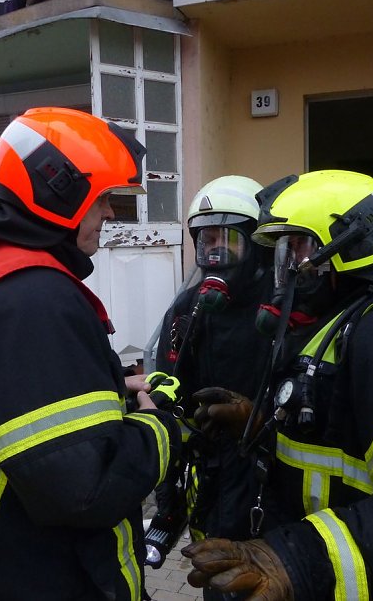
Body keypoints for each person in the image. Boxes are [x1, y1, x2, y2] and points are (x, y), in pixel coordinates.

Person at [182, 169, 373, 600]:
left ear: (351, 247)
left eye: (298, 248)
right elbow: (342, 442)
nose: (288, 267)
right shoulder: (346, 321)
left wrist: (293, 561)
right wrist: (260, 427)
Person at [0, 107, 182, 601]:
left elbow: (10, 398)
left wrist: (103, 385)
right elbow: (85, 492)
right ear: (61, 192)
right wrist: (159, 427)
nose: (110, 213)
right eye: (103, 198)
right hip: (25, 575)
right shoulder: (34, 300)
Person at [145, 176, 274, 583]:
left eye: (228, 239)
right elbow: (169, 394)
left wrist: (260, 422)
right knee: (217, 572)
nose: (215, 250)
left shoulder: (284, 306)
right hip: (210, 471)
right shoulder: (189, 307)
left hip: (267, 470)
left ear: (255, 244)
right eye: (207, 239)